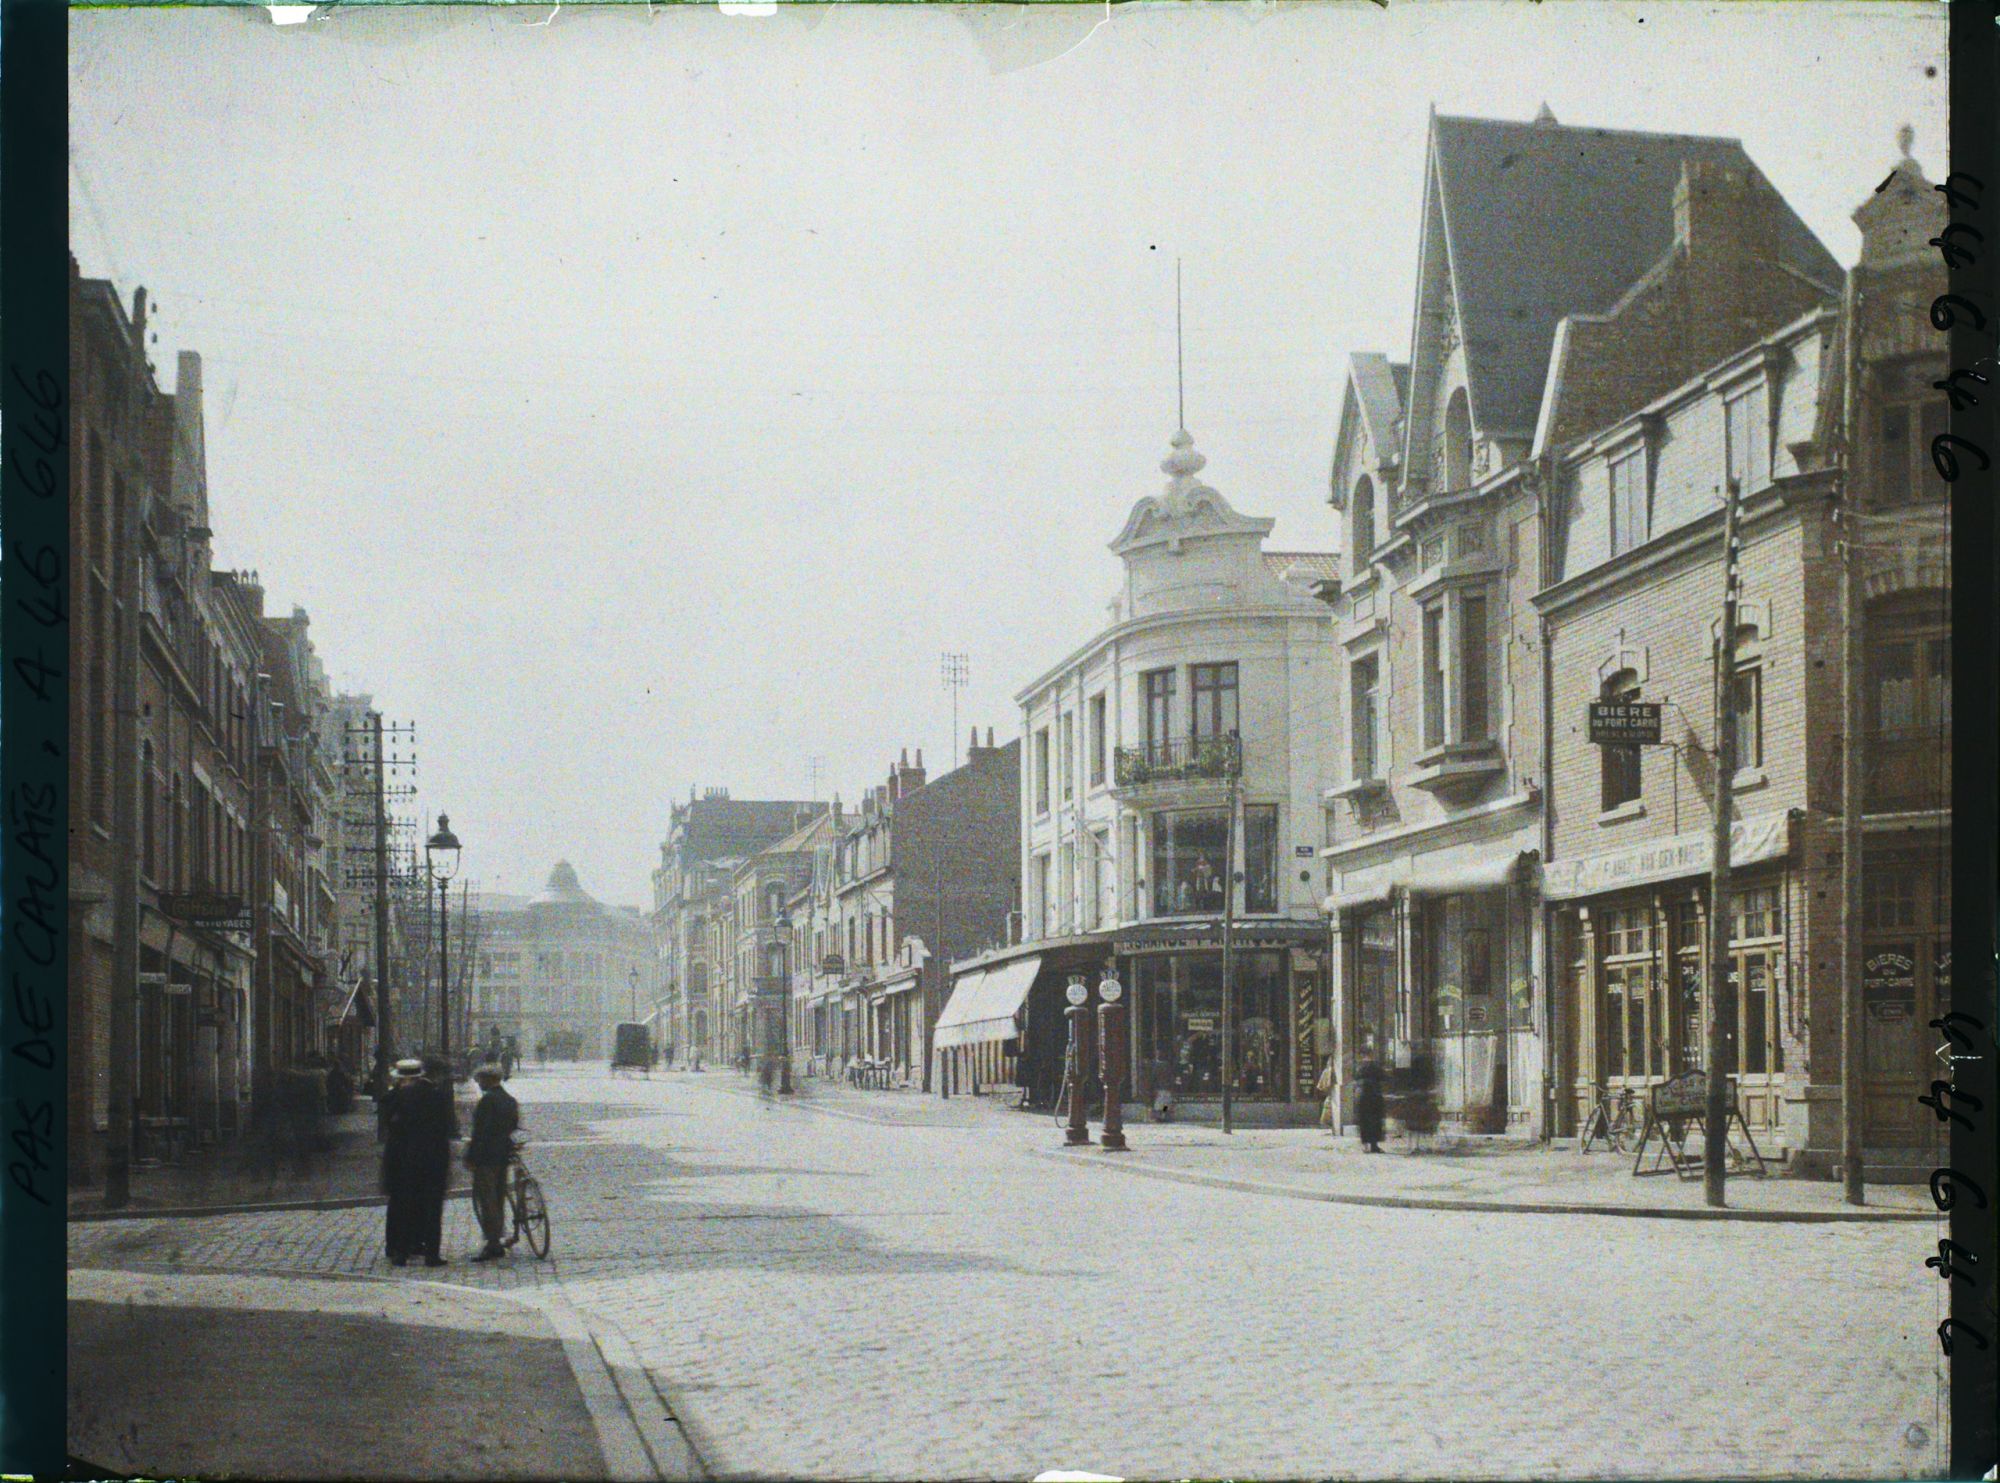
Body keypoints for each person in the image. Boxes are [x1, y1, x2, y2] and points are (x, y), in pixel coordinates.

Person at [383, 1056, 458, 1266]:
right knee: (432, 1207)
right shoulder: (438, 1096)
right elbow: (446, 1129)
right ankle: (431, 1254)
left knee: (406, 1204)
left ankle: (401, 1252)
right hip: (433, 1159)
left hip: (406, 1159)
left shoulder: (399, 1096)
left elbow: (394, 1128)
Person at [464, 1063, 519, 1261]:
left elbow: (480, 1132)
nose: (479, 1083)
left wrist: (472, 1156)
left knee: (487, 1200)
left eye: (480, 1080)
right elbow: (513, 1125)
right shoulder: (510, 1100)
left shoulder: (487, 1101)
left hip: (486, 1156)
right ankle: (497, 1236)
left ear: (488, 1080)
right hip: (503, 1154)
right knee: (498, 1196)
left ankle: (493, 1242)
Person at [1356, 1054, 1387, 1153]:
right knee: (1375, 1122)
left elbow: (1356, 1079)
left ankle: (1366, 1146)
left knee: (1364, 1122)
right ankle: (1374, 1145)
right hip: (1375, 1098)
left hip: (1364, 1098)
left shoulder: (1361, 1069)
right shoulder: (1376, 1068)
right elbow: (1384, 1078)